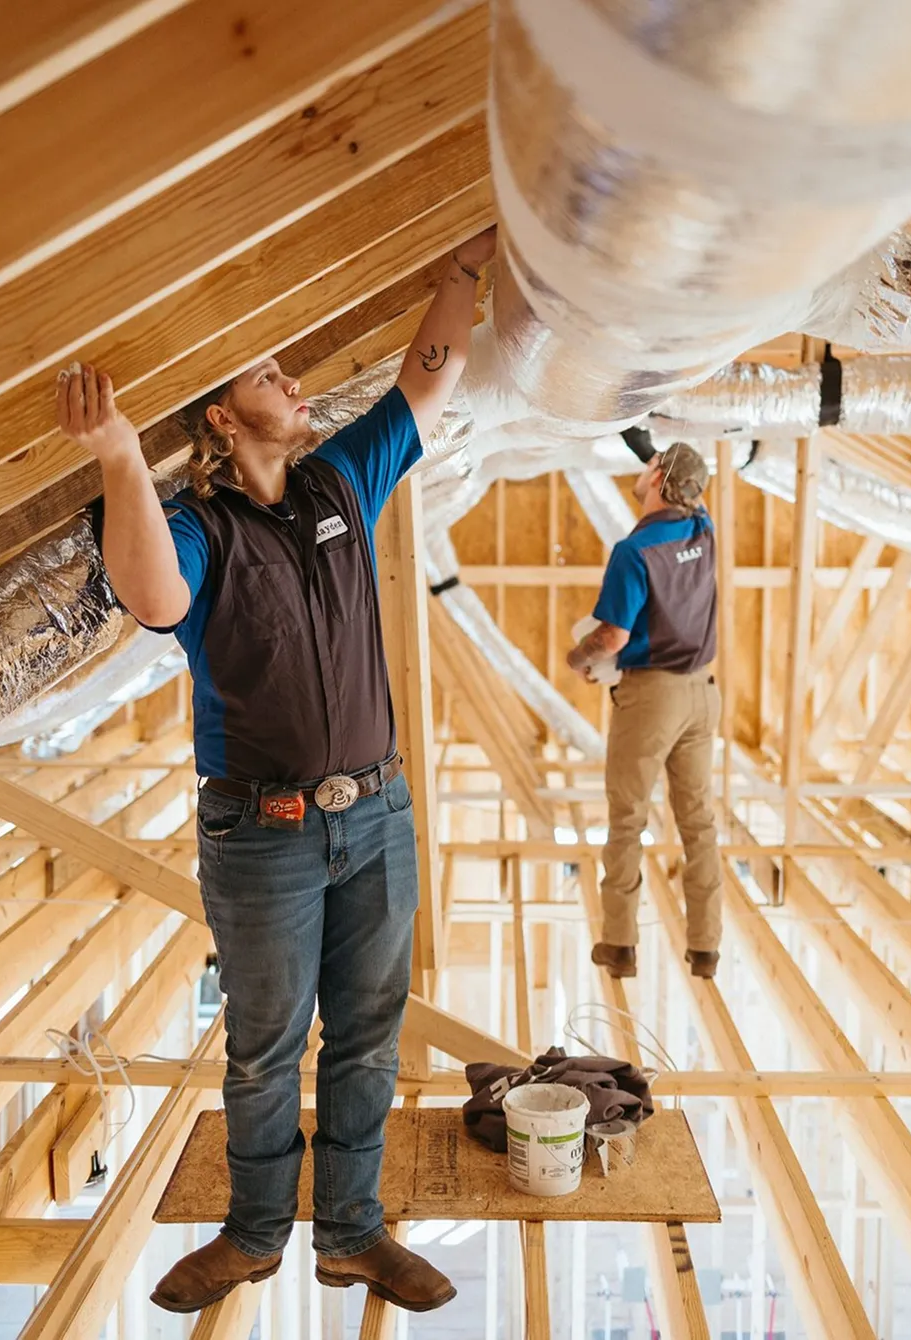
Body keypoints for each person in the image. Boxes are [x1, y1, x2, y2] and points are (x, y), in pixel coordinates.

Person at [55, 227, 497, 1315]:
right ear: (220, 415)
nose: (293, 383)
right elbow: (154, 599)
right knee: (263, 1047)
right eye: (267, 375)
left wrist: (461, 272)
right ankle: (253, 1232)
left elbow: (424, 386)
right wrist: (116, 451)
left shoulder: (343, 478)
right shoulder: (198, 530)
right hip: (263, 835)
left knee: (366, 1034)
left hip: (377, 814)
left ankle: (350, 1233)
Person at [566, 442, 721, 980]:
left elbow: (612, 636)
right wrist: (664, 454)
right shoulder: (704, 529)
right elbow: (682, 479)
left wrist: (578, 656)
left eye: (649, 465)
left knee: (628, 820)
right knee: (698, 821)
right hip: (703, 694)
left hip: (652, 697)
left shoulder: (634, 551)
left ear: (656, 477)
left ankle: (620, 944)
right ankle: (705, 949)